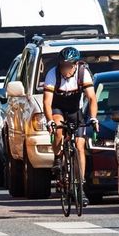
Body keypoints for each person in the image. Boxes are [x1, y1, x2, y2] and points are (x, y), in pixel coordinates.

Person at [41, 47, 98, 204]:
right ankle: (58, 158)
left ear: (75, 64)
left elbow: (92, 98)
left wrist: (93, 118)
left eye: (69, 65)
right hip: (58, 108)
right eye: (63, 65)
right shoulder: (53, 74)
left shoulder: (82, 73)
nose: (65, 69)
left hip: (75, 110)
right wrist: (49, 120)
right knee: (58, 129)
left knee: (80, 145)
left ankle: (80, 185)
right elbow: (47, 102)